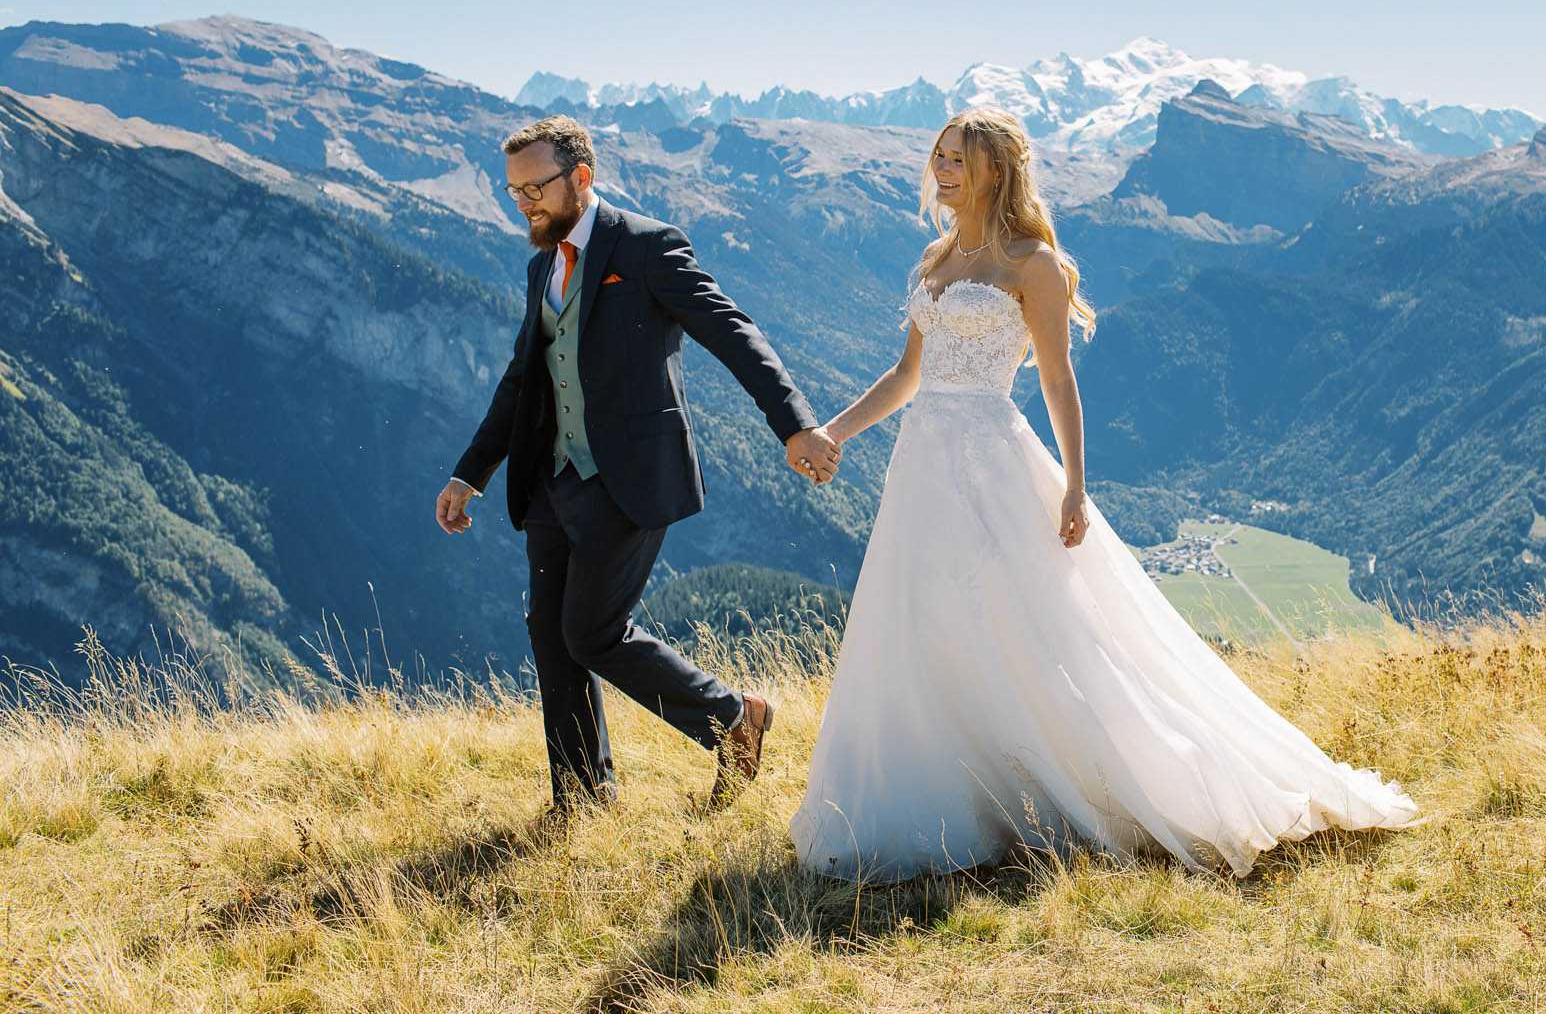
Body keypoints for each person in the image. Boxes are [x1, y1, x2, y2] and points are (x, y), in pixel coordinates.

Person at [789, 107, 1420, 881]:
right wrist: (833, 432)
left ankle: (1077, 786)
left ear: (994, 169)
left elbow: (1057, 378)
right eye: (938, 156)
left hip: (994, 460)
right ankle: (955, 798)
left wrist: (1076, 486)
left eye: (957, 158)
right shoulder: (935, 256)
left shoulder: (1035, 265)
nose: (941, 170)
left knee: (1031, 630)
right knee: (930, 625)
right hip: (921, 463)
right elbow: (906, 376)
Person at [435, 115, 841, 817]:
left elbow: (732, 330)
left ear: (581, 178)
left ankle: (733, 718)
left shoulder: (646, 247)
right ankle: (582, 797)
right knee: (552, 638)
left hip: (628, 476)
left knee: (592, 631)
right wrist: (470, 472)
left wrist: (795, 424)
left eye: (535, 188)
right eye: (513, 192)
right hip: (550, 482)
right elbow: (522, 379)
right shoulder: (542, 265)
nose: (524, 203)